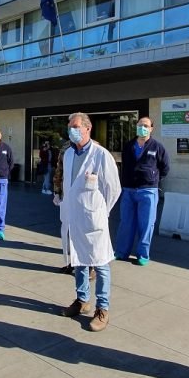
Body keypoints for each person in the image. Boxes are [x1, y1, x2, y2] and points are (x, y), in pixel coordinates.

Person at [54, 113, 121, 332]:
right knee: (79, 260)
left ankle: (102, 308)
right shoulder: (68, 154)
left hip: (94, 219)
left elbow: (113, 189)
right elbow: (68, 184)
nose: (71, 131)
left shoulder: (101, 155)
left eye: (75, 127)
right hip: (75, 216)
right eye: (69, 127)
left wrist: (101, 212)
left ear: (87, 128)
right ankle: (82, 300)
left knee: (100, 264)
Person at [115, 116, 170, 265]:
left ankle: (143, 255)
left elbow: (164, 168)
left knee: (146, 224)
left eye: (146, 125)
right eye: (140, 125)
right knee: (126, 223)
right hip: (128, 190)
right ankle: (121, 252)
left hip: (148, 191)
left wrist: (152, 180)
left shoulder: (157, 147)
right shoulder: (128, 146)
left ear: (151, 128)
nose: (142, 128)